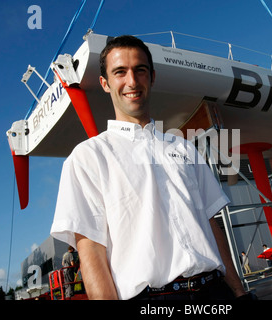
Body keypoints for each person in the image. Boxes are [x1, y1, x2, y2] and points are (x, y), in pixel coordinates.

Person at [50, 35, 249, 300]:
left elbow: (211, 225)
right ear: (105, 83)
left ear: (151, 77)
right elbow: (92, 254)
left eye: (139, 70)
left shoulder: (184, 148)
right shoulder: (88, 157)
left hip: (216, 292)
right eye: (119, 72)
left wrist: (238, 291)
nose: (131, 81)